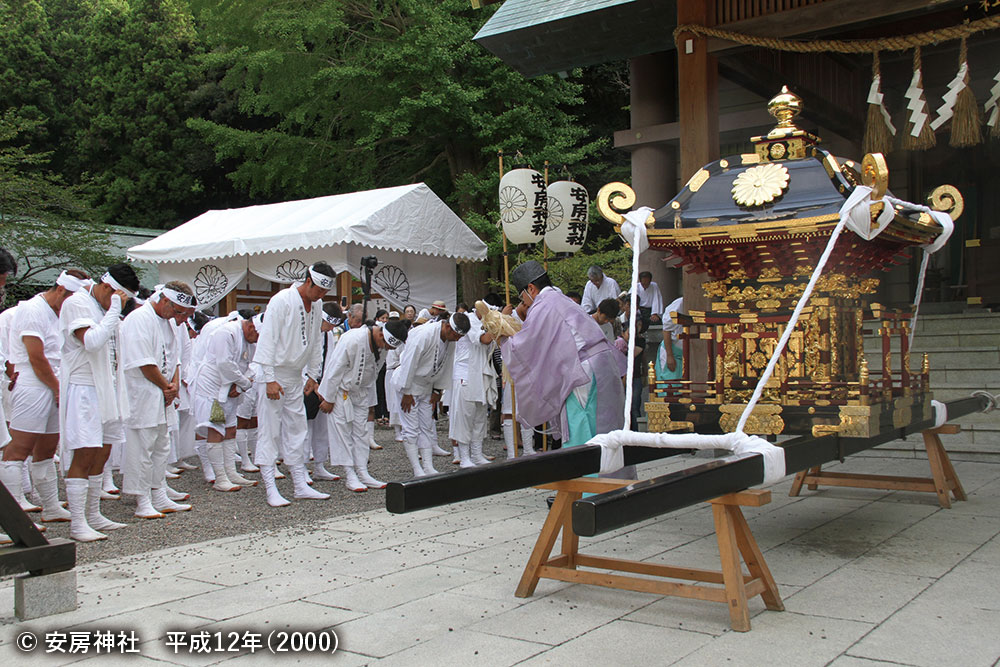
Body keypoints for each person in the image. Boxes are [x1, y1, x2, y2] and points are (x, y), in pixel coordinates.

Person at [499, 261, 626, 448]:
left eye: (522, 297)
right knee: (608, 428)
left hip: (584, 372)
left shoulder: (543, 305)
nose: (523, 302)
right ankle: (611, 474)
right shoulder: (562, 299)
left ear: (531, 289)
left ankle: (587, 475)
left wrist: (502, 340)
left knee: (583, 427)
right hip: (604, 363)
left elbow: (525, 348)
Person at [59, 264, 139, 541]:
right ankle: (78, 522)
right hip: (84, 387)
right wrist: (115, 308)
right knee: (84, 452)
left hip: (108, 387)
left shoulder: (106, 308)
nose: (121, 304)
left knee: (102, 452)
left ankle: (93, 515)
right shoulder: (77, 303)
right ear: (108, 288)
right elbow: (91, 342)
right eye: (119, 297)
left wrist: (114, 308)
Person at [0, 270, 88, 524]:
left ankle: (50, 506)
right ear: (61, 291)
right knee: (19, 448)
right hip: (33, 382)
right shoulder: (32, 309)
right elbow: (35, 356)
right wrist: (58, 387)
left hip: (54, 381)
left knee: (47, 449)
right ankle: (14, 515)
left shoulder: (59, 311)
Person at [253, 262, 334, 507]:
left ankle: (300, 484)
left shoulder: (318, 305)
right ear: (308, 281)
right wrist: (269, 379)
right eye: (318, 289)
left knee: (297, 428)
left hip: (296, 376)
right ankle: (270, 488)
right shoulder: (281, 300)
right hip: (274, 373)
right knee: (269, 430)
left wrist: (313, 374)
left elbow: (315, 341)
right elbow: (267, 340)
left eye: (324, 291)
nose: (321, 295)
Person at [119, 281, 196, 518]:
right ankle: (142, 499)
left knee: (161, 445)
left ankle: (158, 492)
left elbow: (175, 358)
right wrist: (167, 387)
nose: (180, 319)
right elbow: (142, 362)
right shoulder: (139, 319)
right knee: (143, 446)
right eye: (178, 312)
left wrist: (172, 386)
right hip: (143, 391)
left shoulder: (168, 322)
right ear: (164, 301)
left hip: (162, 391)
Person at [318, 318, 409, 491]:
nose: (385, 349)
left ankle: (363, 472)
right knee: (343, 431)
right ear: (381, 333)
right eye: (385, 344)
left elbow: (374, 372)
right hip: (341, 391)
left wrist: (369, 400)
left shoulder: (383, 346)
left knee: (361, 432)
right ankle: (350, 474)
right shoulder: (353, 339)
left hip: (361, 392)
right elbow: (334, 368)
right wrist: (328, 398)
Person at [191, 309, 260, 492]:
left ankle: (231, 472)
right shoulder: (226, 332)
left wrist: (239, 386)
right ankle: (220, 477)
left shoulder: (250, 340)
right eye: (258, 335)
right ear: (251, 326)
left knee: (231, 428)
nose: (258, 341)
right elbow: (225, 364)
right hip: (213, 387)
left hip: (232, 388)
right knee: (216, 428)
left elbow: (251, 366)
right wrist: (243, 383)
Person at [394, 311, 469, 476]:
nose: (458, 339)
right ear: (447, 326)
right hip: (408, 382)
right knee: (411, 429)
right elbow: (409, 361)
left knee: (427, 426)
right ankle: (417, 469)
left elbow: (448, 364)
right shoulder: (423, 334)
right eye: (456, 335)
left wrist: (438, 390)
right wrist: (406, 391)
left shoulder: (450, 338)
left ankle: (428, 466)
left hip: (428, 386)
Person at [448, 307, 497, 467]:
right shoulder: (468, 320)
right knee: (465, 416)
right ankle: (464, 457)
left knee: (480, 415)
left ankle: (476, 454)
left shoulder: (484, 322)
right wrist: (501, 322)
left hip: (480, 374)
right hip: (465, 375)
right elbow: (484, 339)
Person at [655, 297, 685, 381]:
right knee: (669, 384)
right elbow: (666, 329)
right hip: (672, 351)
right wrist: (669, 355)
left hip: (687, 353)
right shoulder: (679, 304)